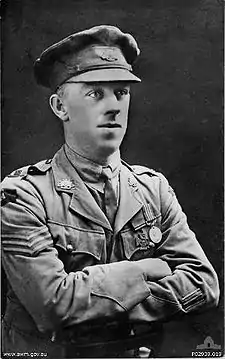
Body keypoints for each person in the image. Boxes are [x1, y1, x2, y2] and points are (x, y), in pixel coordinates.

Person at [1, 25, 220, 358]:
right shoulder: (24, 195)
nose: (114, 106)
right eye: (95, 93)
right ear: (60, 106)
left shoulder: (152, 189)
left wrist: (93, 305)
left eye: (121, 92)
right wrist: (149, 269)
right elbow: (53, 307)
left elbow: (204, 284)